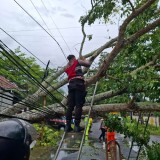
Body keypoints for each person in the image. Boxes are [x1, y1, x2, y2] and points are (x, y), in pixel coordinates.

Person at [64, 54, 91, 132]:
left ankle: (67, 126)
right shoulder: (77, 61)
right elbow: (88, 64)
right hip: (79, 84)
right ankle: (76, 126)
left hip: (71, 85)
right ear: (74, 58)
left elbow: (71, 69)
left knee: (70, 106)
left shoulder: (67, 67)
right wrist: (84, 59)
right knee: (79, 105)